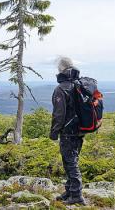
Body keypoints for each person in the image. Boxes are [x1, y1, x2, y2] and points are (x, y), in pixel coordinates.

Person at [49, 57, 86, 205]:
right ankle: (70, 191)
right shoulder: (78, 85)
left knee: (70, 163)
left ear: (60, 69)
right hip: (80, 130)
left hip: (68, 131)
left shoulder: (61, 88)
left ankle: (76, 195)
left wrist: (54, 131)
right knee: (71, 160)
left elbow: (59, 114)